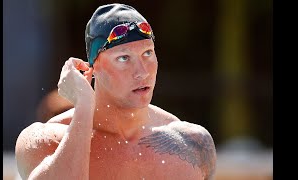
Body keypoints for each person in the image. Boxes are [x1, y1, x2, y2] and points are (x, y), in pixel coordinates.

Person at [15, 3, 217, 180]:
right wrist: (84, 105)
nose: (142, 72)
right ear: (94, 67)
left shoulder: (191, 143)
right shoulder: (47, 141)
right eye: (123, 58)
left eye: (147, 53)